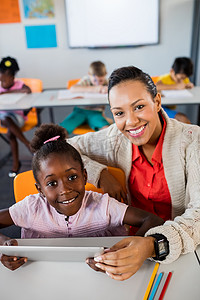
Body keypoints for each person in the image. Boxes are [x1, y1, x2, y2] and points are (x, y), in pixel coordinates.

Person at [67, 66, 200, 281]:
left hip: (183, 249)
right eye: (119, 113)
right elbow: (60, 148)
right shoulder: (114, 139)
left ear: (157, 102)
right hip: (127, 245)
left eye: (139, 107)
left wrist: (151, 245)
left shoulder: (193, 141)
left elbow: (199, 215)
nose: (131, 122)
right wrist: (99, 173)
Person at [0, 123, 164, 271]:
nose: (65, 190)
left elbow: (152, 220)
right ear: (40, 189)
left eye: (72, 178)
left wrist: (126, 250)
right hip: (43, 276)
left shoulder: (102, 206)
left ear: (85, 176)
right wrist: (4, 247)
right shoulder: (32, 208)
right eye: (51, 183)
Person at [0, 56, 32, 177]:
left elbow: (27, 91)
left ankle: (15, 164)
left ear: (13, 77)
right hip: (3, 118)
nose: (3, 83)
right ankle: (27, 144)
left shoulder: (19, 84)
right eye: (1, 80)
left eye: (5, 80)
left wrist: (7, 92)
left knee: (10, 133)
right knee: (6, 120)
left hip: (18, 118)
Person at [60, 61, 111, 134]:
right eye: (95, 80)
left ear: (105, 75)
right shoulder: (86, 80)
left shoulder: (107, 82)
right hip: (80, 111)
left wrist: (107, 89)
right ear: (89, 75)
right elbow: (73, 89)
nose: (97, 83)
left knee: (107, 130)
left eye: (100, 80)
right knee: (62, 130)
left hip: (96, 112)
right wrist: (95, 89)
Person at [156, 57, 194, 124]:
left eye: (184, 78)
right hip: (160, 108)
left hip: (170, 108)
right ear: (172, 71)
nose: (182, 80)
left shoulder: (184, 78)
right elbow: (156, 87)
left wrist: (188, 85)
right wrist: (176, 86)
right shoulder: (165, 78)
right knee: (183, 118)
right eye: (180, 78)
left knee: (183, 120)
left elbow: (185, 83)